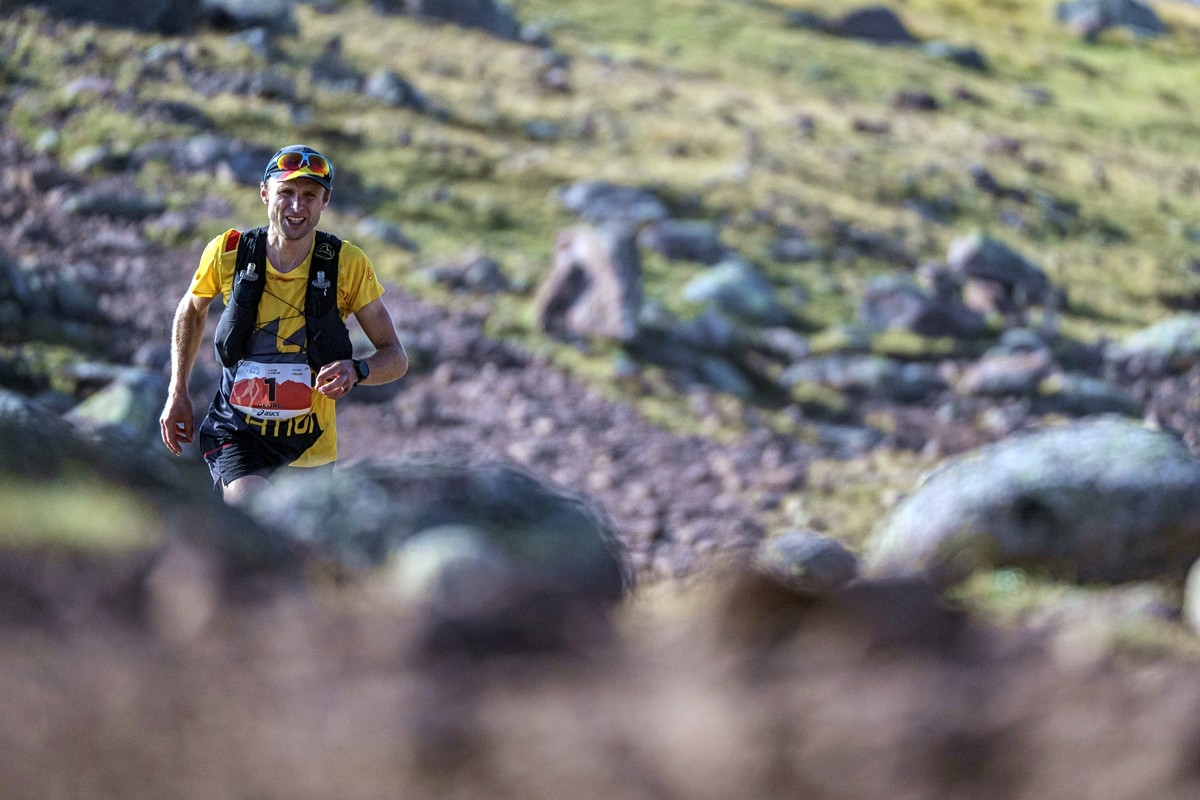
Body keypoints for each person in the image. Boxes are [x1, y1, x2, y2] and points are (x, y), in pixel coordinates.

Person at [159, 144, 408, 504]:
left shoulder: (347, 264)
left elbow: (396, 356)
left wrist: (357, 370)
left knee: (295, 534)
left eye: (309, 196)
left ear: (325, 201)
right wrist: (177, 390)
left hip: (310, 444)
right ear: (264, 193)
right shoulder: (229, 252)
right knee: (251, 506)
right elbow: (191, 310)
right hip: (236, 431)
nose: (296, 206)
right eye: (286, 192)